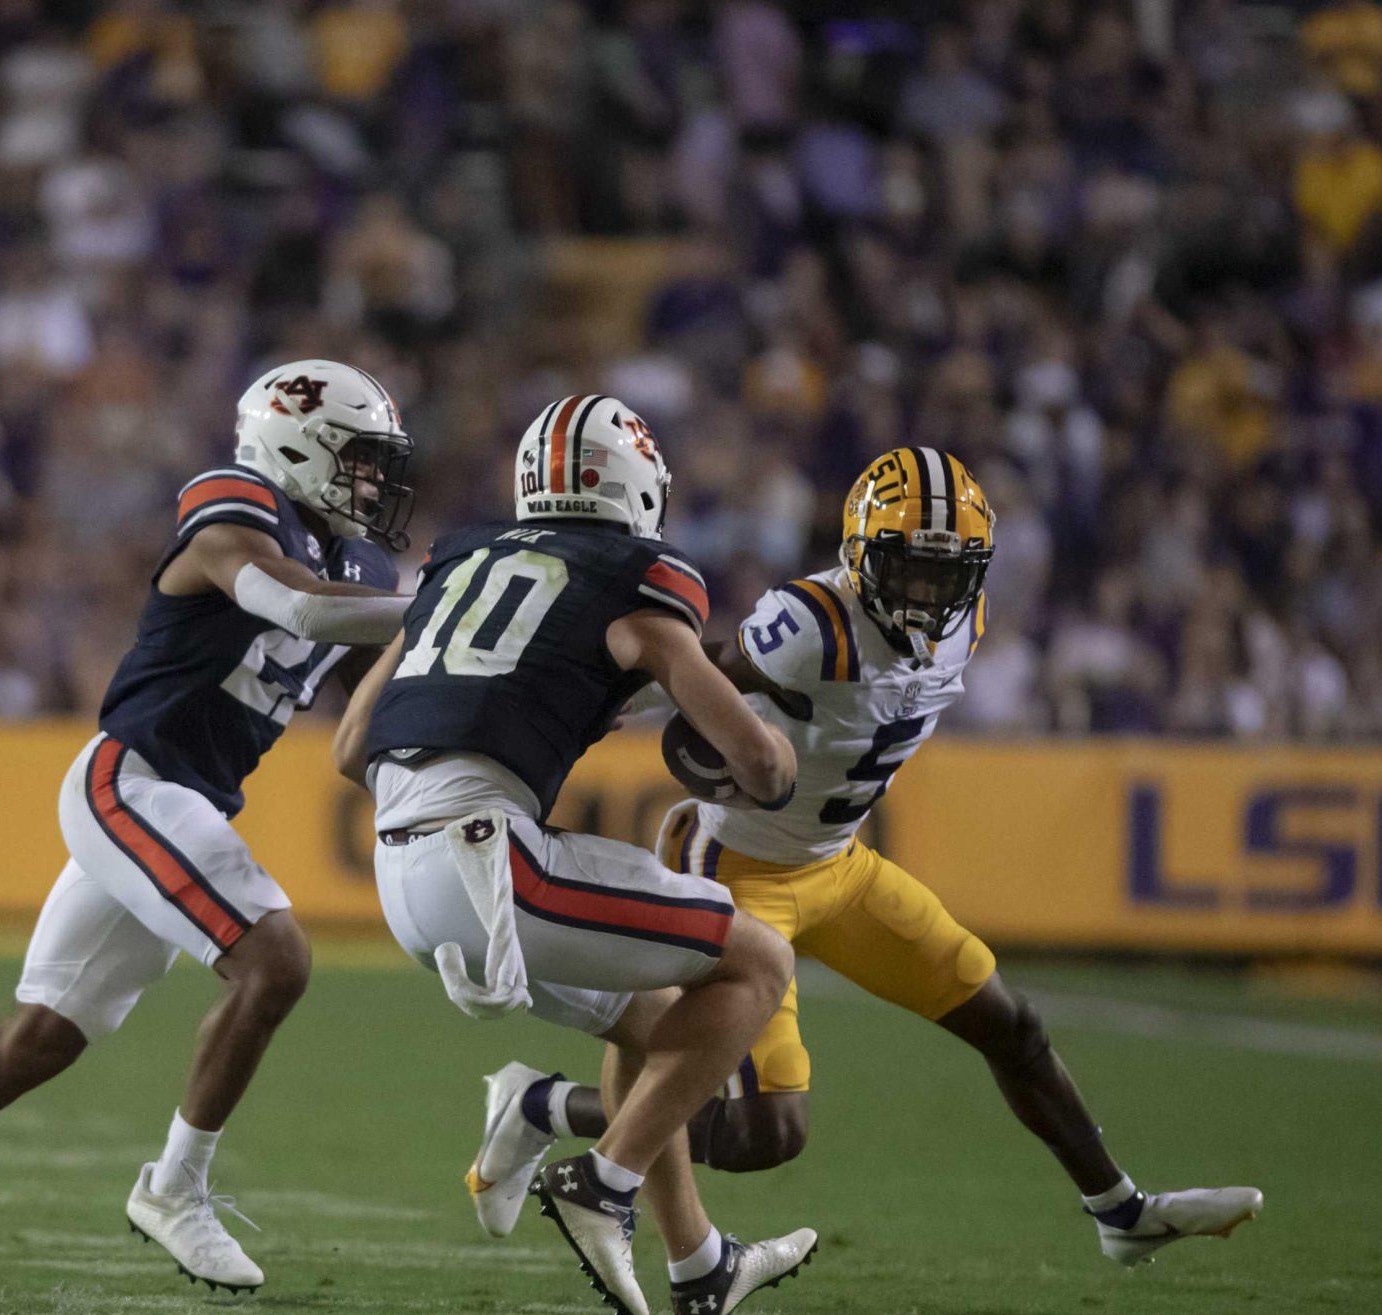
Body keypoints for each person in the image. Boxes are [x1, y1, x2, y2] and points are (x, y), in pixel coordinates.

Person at [489, 448, 1263, 1264]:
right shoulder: (810, 626)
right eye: (910, 569)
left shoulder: (968, 620)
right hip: (738, 866)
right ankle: (544, 1105)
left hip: (838, 865)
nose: (930, 593)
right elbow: (693, 688)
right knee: (765, 1132)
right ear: (860, 554)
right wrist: (720, 759)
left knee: (1010, 1023)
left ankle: (1120, 1211)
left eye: (947, 572)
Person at [0, 360, 415, 1293]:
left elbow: (374, 724)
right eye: (357, 460)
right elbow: (296, 603)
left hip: (185, 805)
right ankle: (174, 1188)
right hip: (132, 782)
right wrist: (437, 612)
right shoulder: (237, 502)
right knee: (277, 958)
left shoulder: (366, 567)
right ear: (296, 449)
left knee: (35, 1044)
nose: (373, 483)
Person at [336, 393, 813, 1315]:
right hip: (491, 854)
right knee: (760, 962)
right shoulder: (637, 579)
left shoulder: (458, 561)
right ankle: (605, 1180)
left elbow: (352, 746)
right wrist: (781, 753)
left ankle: (699, 1264)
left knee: (657, 1022)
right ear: (637, 487)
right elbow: (758, 766)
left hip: (401, 872)